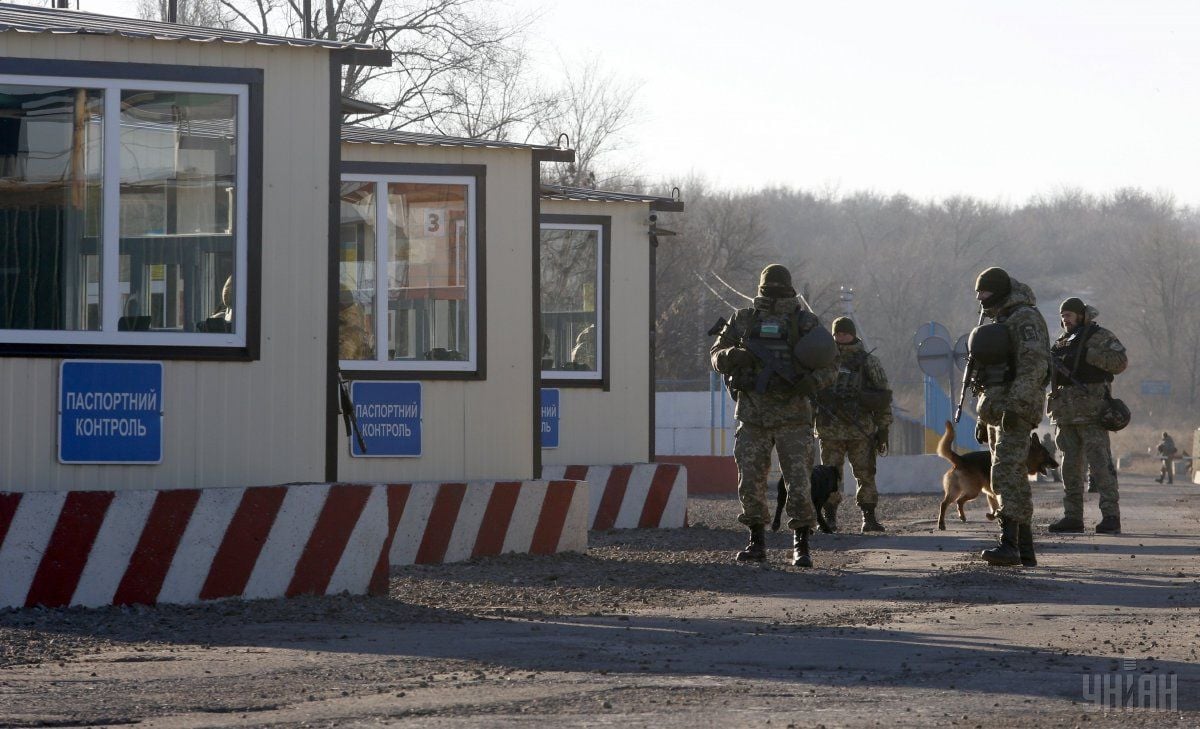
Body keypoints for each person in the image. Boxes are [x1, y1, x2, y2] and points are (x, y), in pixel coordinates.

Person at [710, 264, 838, 567]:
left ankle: (801, 541)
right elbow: (716, 356)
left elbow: (830, 366)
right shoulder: (743, 320)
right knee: (751, 480)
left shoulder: (805, 322)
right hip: (754, 415)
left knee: (798, 482)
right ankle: (757, 539)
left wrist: (811, 382)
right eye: (771, 290)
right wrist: (731, 356)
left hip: (793, 417)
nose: (773, 294)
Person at [969, 267, 1050, 567]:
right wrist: (983, 417)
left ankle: (1010, 544)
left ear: (999, 292)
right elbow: (989, 376)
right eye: (978, 293)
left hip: (1016, 409)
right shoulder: (1001, 319)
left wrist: (1016, 408)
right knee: (1012, 474)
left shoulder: (1024, 318)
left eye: (985, 292)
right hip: (998, 410)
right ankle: (1025, 549)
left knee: (1005, 472)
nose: (980, 298)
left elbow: (1033, 367)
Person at [1046, 299, 1128, 535]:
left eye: (1069, 315)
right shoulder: (1061, 342)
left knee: (1100, 466)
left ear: (1082, 315)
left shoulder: (1099, 336)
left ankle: (1111, 516)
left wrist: (1090, 356)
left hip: (1092, 414)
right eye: (1063, 316)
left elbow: (1120, 362)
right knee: (1070, 469)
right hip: (1065, 416)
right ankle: (1072, 517)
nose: (1065, 320)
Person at [814, 316, 893, 533]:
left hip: (861, 430)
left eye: (844, 333)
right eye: (837, 334)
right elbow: (811, 391)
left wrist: (883, 427)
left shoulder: (868, 362)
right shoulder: (824, 359)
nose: (841, 337)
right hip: (830, 430)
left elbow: (883, 396)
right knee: (830, 476)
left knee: (866, 473)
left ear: (853, 334)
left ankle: (868, 517)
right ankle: (830, 517)